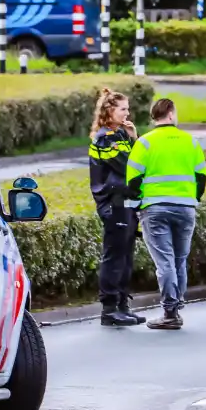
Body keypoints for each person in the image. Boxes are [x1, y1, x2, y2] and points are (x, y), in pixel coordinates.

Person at [125, 98, 206, 330]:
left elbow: (132, 180)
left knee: (165, 262)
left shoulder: (144, 143)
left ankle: (170, 311)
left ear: (154, 118)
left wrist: (136, 206)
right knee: (179, 259)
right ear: (170, 114)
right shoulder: (191, 142)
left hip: (155, 208)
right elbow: (201, 177)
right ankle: (176, 306)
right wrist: (193, 198)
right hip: (185, 208)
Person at [88, 88, 145, 327]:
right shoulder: (106, 138)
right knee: (114, 257)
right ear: (109, 110)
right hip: (115, 204)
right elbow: (130, 166)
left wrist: (131, 136)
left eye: (127, 108)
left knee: (125, 257)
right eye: (123, 108)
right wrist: (133, 141)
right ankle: (110, 309)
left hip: (126, 204)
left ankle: (122, 305)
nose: (127, 113)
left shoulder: (118, 135)